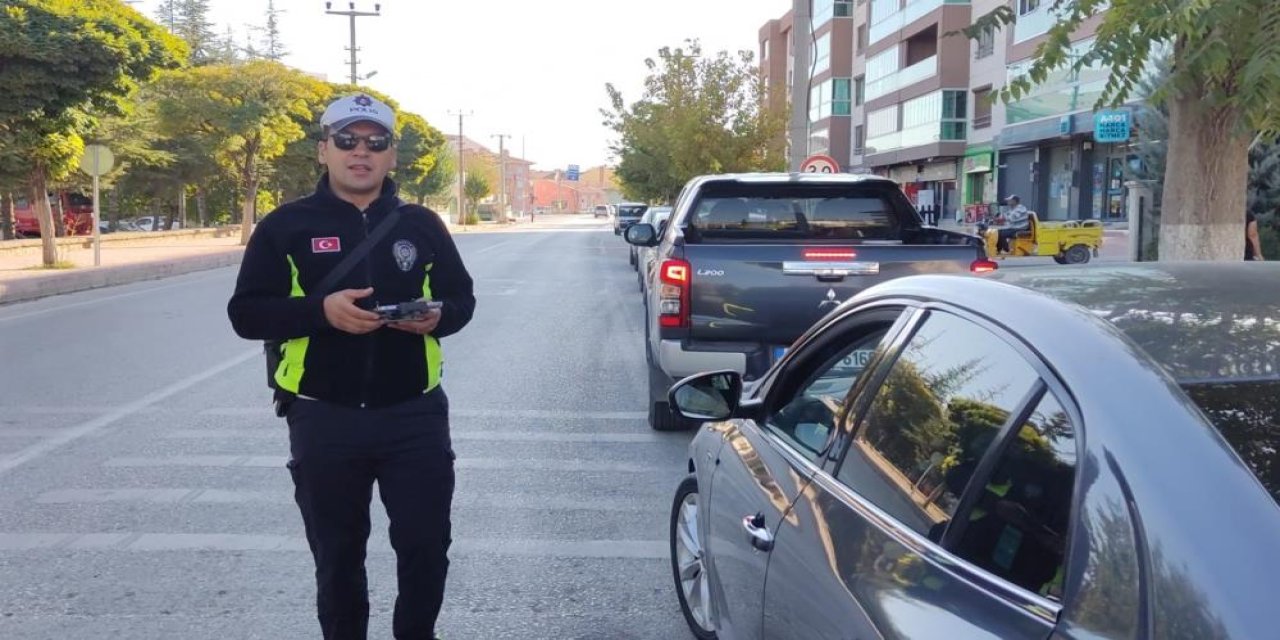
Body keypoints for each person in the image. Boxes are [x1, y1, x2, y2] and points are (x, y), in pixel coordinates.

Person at [227, 93, 476, 640]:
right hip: (323, 417)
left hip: (414, 414)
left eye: (375, 142)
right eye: (346, 140)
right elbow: (246, 313)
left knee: (426, 548)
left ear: (391, 156)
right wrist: (321, 312)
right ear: (324, 150)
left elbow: (462, 300)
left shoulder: (422, 224)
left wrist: (437, 317)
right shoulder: (285, 226)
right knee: (337, 556)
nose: (360, 152)